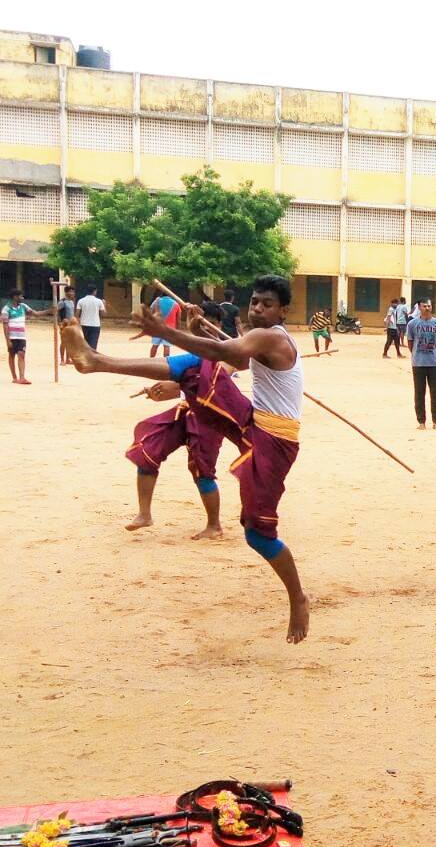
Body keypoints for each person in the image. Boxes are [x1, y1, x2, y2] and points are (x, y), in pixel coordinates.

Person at [62, 274, 310, 643]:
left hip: (274, 439)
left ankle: (298, 597)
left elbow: (228, 355)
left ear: (283, 311)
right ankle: (96, 360)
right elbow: (229, 359)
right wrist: (203, 335)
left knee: (258, 535)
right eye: (254, 301)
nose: (257, 308)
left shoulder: (270, 337)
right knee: (197, 368)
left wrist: (169, 332)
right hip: (252, 422)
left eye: (267, 304)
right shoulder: (259, 338)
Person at [124, 316, 235, 539]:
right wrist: (157, 389)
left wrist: (173, 387)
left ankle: (214, 526)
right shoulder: (195, 353)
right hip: (185, 410)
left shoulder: (229, 353)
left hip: (210, 418)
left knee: (202, 470)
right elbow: (179, 378)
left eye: (206, 326)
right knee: (148, 448)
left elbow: (209, 381)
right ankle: (144, 514)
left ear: (217, 327)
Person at [406, 300, 436, 429]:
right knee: (419, 393)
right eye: (424, 306)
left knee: (435, 393)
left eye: (429, 305)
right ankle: (421, 422)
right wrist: (417, 354)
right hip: (418, 363)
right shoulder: (412, 324)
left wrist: (433, 352)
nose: (427, 308)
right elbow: (410, 343)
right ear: (419, 307)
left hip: (434, 363)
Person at [3, 289, 52, 384]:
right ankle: (14, 377)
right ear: (15, 297)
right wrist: (8, 340)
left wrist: (49, 311)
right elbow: (5, 326)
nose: (22, 298)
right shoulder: (6, 309)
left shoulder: (23, 306)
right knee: (12, 355)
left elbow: (36, 314)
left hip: (21, 337)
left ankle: (22, 377)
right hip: (12, 337)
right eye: (21, 296)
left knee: (21, 355)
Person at [57, 286, 76, 365]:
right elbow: (57, 312)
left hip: (71, 324)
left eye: (73, 292)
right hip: (64, 324)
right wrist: (59, 323)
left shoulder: (72, 302)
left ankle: (68, 359)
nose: (72, 293)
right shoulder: (62, 302)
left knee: (70, 342)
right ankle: (62, 360)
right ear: (66, 292)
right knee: (64, 342)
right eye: (71, 291)